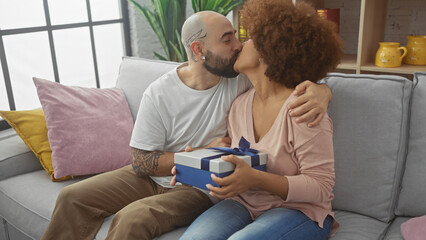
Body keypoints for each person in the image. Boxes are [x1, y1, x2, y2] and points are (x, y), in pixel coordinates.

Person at [41, 9, 333, 240]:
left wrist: (323, 91)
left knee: (133, 218)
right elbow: (141, 162)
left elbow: (292, 63)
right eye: (227, 39)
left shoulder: (243, 82)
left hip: (201, 187)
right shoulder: (166, 93)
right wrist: (194, 157)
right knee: (71, 197)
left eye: (239, 36)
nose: (239, 44)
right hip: (171, 175)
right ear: (199, 49)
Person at [179, 1, 343, 239]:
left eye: (249, 39)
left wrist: (256, 179)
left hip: (299, 211)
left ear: (270, 49)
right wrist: (195, 168)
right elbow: (240, 163)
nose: (239, 46)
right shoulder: (239, 106)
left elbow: (321, 187)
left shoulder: (303, 108)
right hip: (243, 204)